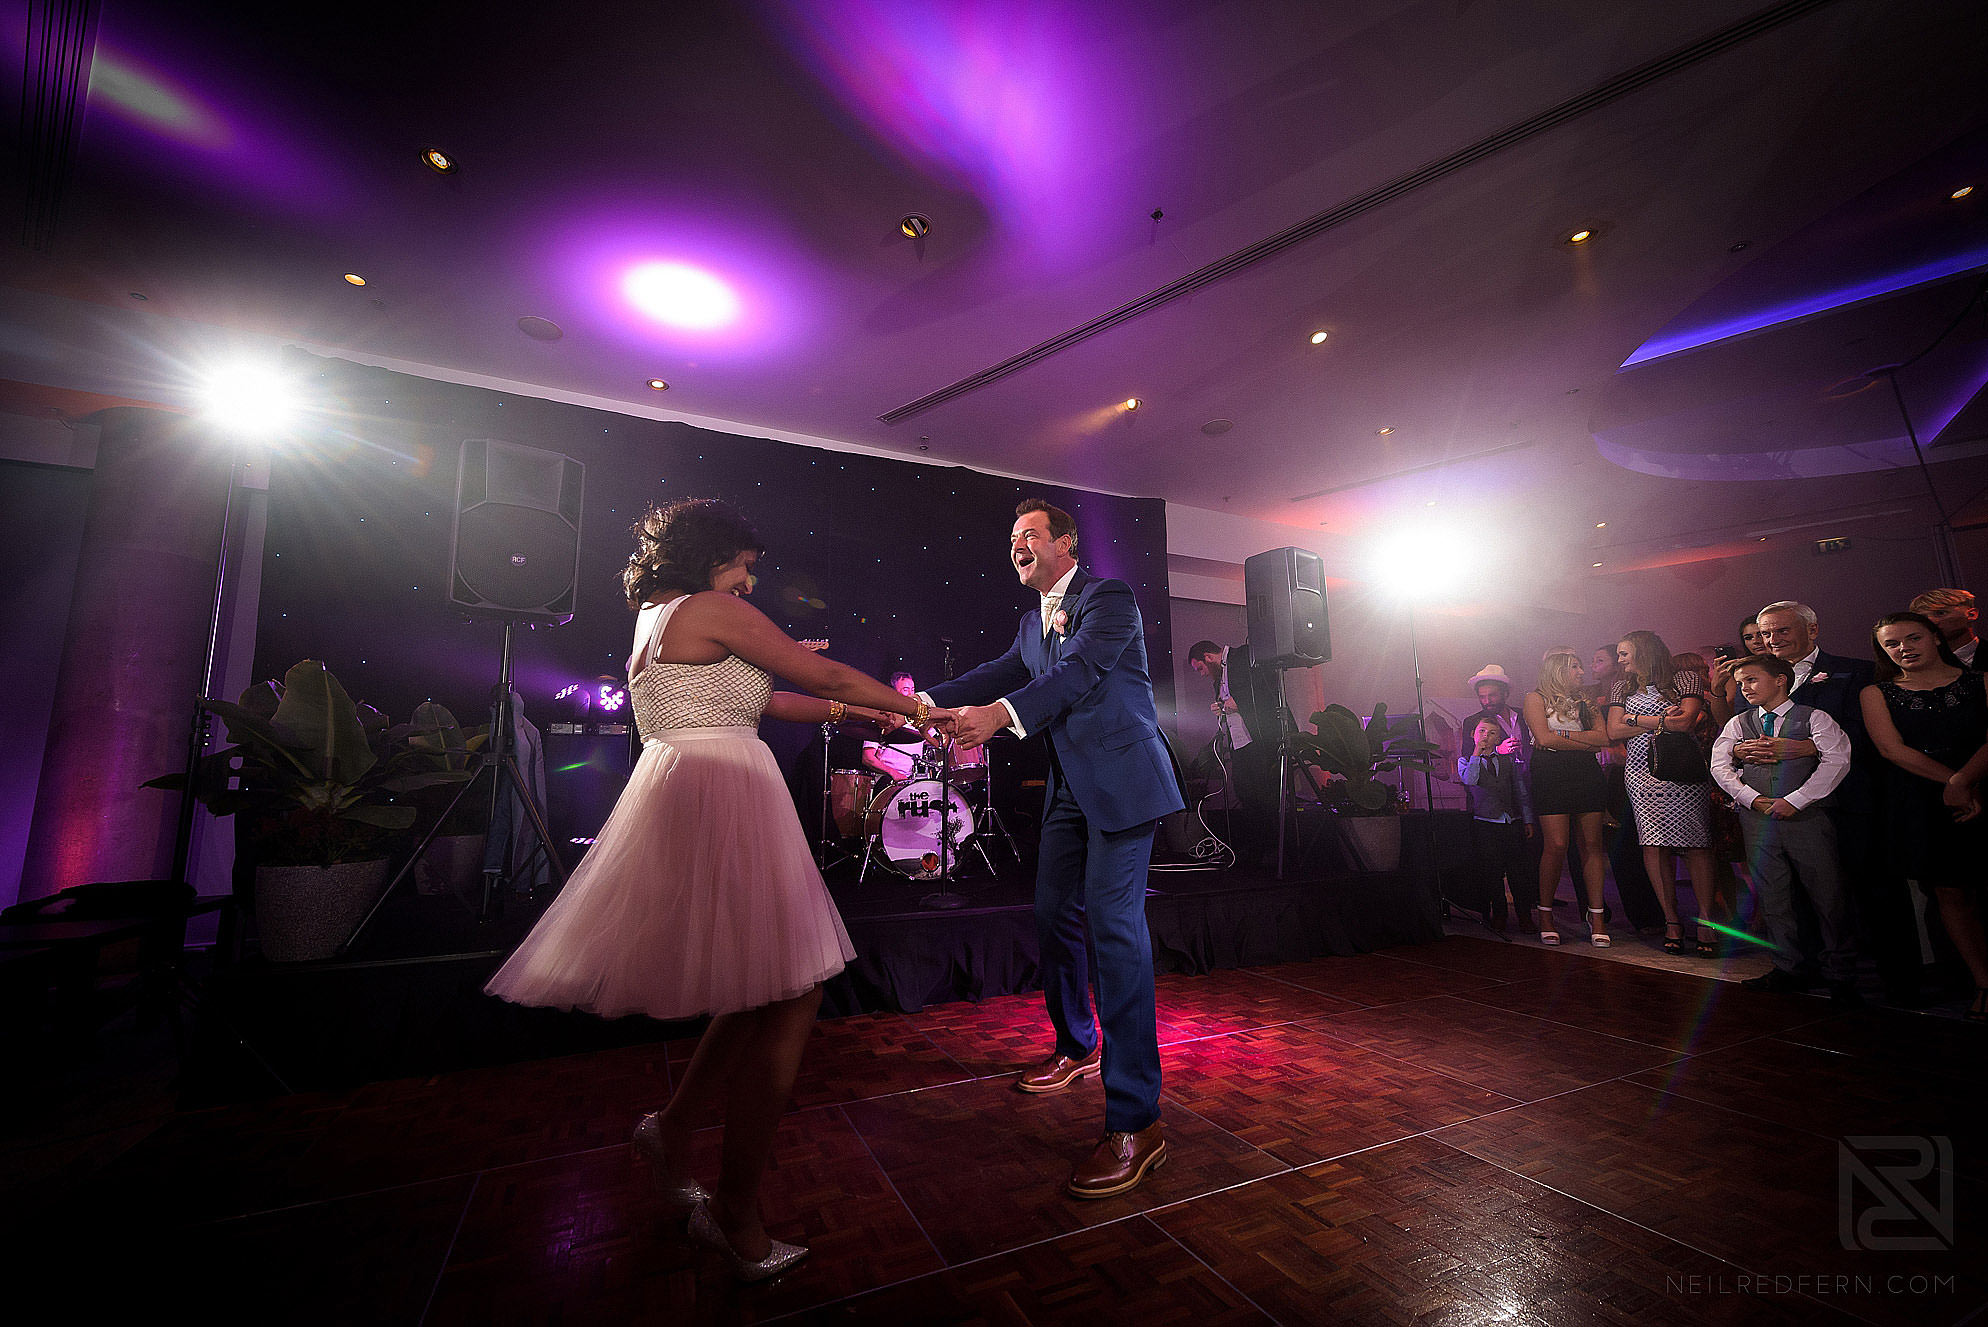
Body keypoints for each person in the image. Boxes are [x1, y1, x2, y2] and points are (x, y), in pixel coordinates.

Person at [484, 499, 941, 1280]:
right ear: (709, 558)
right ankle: (733, 1210)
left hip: (691, 780)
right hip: (723, 787)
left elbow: (763, 698)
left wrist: (867, 714)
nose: (751, 578)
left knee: (758, 982)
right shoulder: (710, 607)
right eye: (743, 563)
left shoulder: (658, 616)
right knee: (791, 987)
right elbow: (812, 668)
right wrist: (917, 705)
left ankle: (673, 1129)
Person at [926, 498, 1183, 1199]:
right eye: (1011, 536)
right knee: (1050, 913)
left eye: (1030, 533)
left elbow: (1075, 677)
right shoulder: (1028, 621)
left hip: (1126, 784)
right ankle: (1078, 1044)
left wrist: (999, 718)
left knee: (1114, 928)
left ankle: (1139, 1121)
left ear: (1065, 543)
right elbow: (995, 671)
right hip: (1069, 789)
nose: (1017, 544)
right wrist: (921, 701)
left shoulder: (1109, 599)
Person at [1752, 600, 1904, 1000]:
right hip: (1784, 806)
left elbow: (1871, 733)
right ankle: (1799, 969)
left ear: (1813, 630)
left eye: (1781, 631)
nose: (1772, 640)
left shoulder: (1856, 672)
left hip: (1849, 800)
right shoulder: (1755, 678)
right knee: (1792, 893)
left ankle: (1891, 978)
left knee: (1866, 887)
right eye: (1766, 633)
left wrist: (1806, 748)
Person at [1861, 612, 1988, 1022]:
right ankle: (1983, 983)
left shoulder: (1981, 680)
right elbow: (1892, 749)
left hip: (1981, 784)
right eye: (1892, 644)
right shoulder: (1877, 692)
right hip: (1922, 798)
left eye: (1912, 638)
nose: (1903, 649)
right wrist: (1951, 783)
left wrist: (1965, 781)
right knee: (1950, 892)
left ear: (1935, 637)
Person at [1711, 653, 1857, 1002]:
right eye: (1742, 682)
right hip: (1757, 819)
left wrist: (1798, 799)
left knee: (1828, 894)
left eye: (1752, 679)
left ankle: (1841, 974)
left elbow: (1837, 759)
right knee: (1773, 894)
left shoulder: (1813, 717)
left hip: (1807, 818)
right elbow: (1719, 764)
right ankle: (1787, 967)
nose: (1745, 687)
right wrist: (1751, 798)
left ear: (1780, 679)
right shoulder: (1739, 723)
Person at [1606, 631, 1717, 956]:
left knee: (1697, 845)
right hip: (1641, 773)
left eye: (1624, 653)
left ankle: (1707, 921)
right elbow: (1614, 730)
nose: (1620, 660)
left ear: (1644, 652)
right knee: (1654, 846)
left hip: (1682, 769)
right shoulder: (1620, 686)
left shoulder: (1684, 678)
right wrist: (1659, 719)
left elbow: (1686, 724)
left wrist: (1634, 719)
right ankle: (1672, 921)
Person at [1521, 649, 1611, 945]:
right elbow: (1543, 739)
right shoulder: (1536, 698)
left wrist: (1566, 739)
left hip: (1585, 772)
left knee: (1592, 844)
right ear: (1558, 669)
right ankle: (1545, 913)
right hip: (1550, 772)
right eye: (1575, 666)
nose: (1582, 672)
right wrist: (1584, 743)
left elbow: (1603, 739)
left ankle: (1596, 916)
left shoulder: (1587, 701)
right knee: (1557, 844)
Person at [1186, 639, 1283, 814]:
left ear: (1208, 657)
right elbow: (1230, 702)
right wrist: (1221, 707)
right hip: (1239, 745)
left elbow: (1266, 684)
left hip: (1260, 739)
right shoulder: (1218, 678)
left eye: (1201, 668)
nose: (1202, 674)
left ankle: (1273, 836)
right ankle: (1256, 837)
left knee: (1266, 795)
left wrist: (1239, 703)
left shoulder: (1242, 655)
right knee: (1244, 793)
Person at [861, 672, 926, 781]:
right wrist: (894, 773)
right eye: (906, 690)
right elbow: (868, 758)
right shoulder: (883, 720)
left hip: (914, 780)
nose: (911, 694)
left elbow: (936, 744)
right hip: (887, 779)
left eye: (913, 689)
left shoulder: (918, 720)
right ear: (894, 693)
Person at [1908, 588, 1982, 670]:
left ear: (1971, 615)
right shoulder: (1915, 662)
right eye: (1923, 618)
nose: (1931, 621)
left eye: (1940, 613)